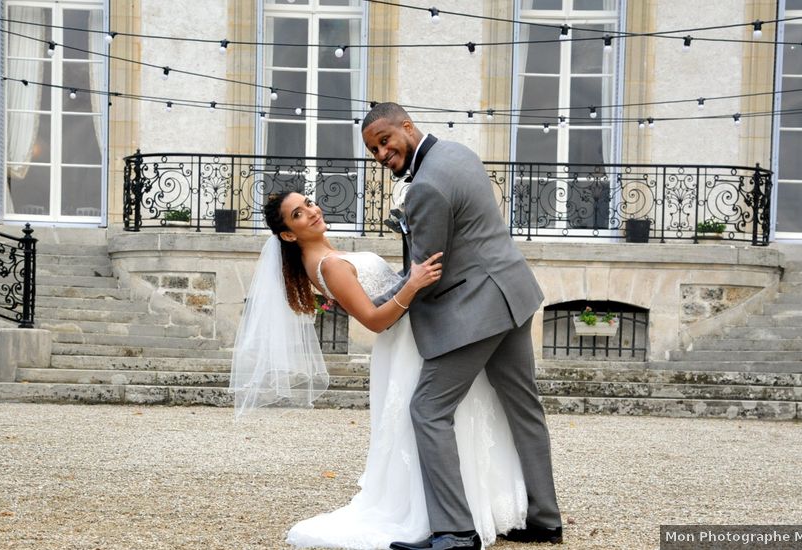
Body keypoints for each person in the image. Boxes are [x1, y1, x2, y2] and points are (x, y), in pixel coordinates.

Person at [230, 190, 529, 549]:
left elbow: (386, 291)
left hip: (417, 334)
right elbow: (373, 320)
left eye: (308, 203)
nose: (311, 212)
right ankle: (430, 515)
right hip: (404, 345)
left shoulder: (330, 254)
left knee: (454, 416)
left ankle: (469, 509)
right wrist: (414, 283)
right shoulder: (327, 265)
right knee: (426, 422)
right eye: (297, 214)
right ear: (288, 235)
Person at [360, 102, 563, 550]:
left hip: (476, 310)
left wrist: (374, 303)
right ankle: (546, 519)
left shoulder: (425, 187)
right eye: (374, 149)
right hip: (513, 294)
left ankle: (454, 531)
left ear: (407, 127)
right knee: (523, 407)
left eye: (385, 141)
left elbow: (425, 275)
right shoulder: (458, 153)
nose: (380, 154)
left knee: (428, 410)